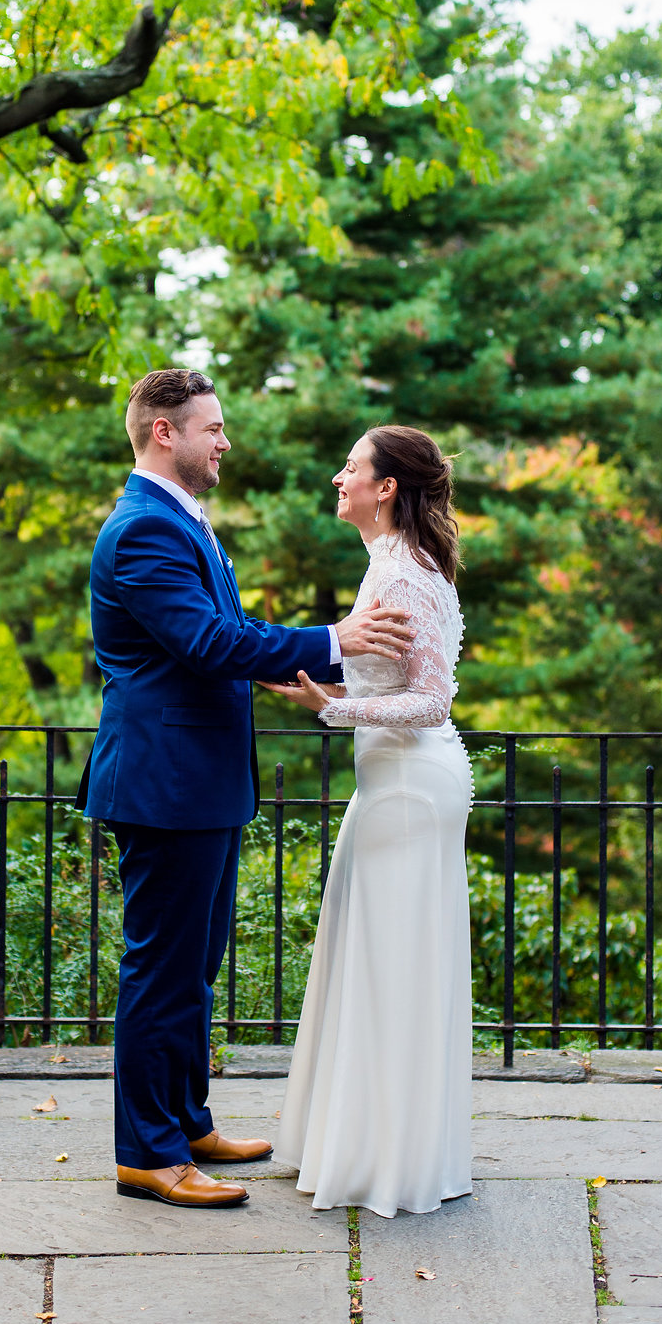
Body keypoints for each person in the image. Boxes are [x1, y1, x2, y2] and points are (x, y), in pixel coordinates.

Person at [78, 369, 416, 1210]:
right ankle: (147, 1154)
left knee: (194, 965)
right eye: (213, 427)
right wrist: (333, 638)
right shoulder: (142, 531)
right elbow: (205, 638)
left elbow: (218, 640)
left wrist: (294, 666)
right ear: (166, 433)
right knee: (160, 969)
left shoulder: (184, 521)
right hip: (165, 784)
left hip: (201, 781)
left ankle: (186, 1120)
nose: (225, 441)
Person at [261, 425, 473, 1218]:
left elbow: (432, 700)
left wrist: (335, 707)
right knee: (377, 961)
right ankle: (373, 1143)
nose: (336, 478)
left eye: (350, 468)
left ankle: (393, 1159)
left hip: (412, 788)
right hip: (389, 784)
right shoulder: (386, 563)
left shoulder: (407, 572)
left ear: (385, 488)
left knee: (396, 967)